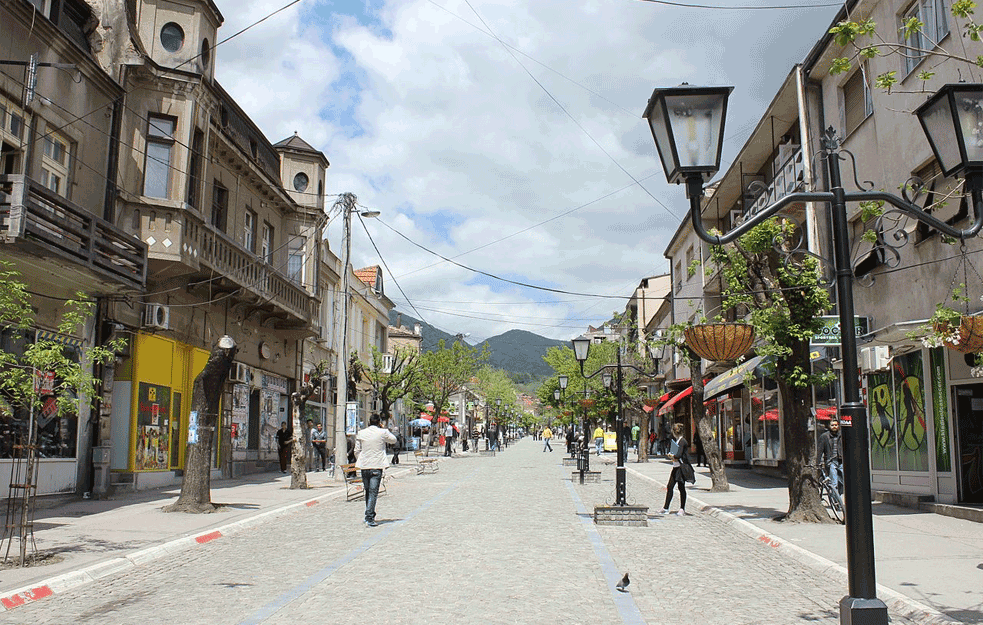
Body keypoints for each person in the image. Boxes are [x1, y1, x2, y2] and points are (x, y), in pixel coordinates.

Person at [354, 413, 397, 527]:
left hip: (365, 466)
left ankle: (370, 514)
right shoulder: (382, 432)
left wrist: (362, 460)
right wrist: (384, 429)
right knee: (373, 492)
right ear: (379, 422)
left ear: (369, 422)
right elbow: (393, 440)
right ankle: (369, 517)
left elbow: (356, 450)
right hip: (377, 465)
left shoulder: (361, 433)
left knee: (368, 491)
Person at [661, 423, 694, 516]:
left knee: (681, 487)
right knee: (670, 486)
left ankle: (682, 508)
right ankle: (665, 507)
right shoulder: (677, 441)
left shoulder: (682, 441)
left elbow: (679, 454)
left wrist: (673, 456)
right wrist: (671, 455)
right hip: (675, 467)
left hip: (680, 467)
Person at [818, 418, 843, 494]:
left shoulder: (842, 436)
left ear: (838, 426)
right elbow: (820, 451)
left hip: (841, 461)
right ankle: (835, 501)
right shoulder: (824, 436)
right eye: (832, 425)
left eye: (836, 425)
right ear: (829, 426)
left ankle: (839, 497)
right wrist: (818, 463)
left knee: (842, 481)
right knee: (834, 482)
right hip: (831, 461)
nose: (834, 426)